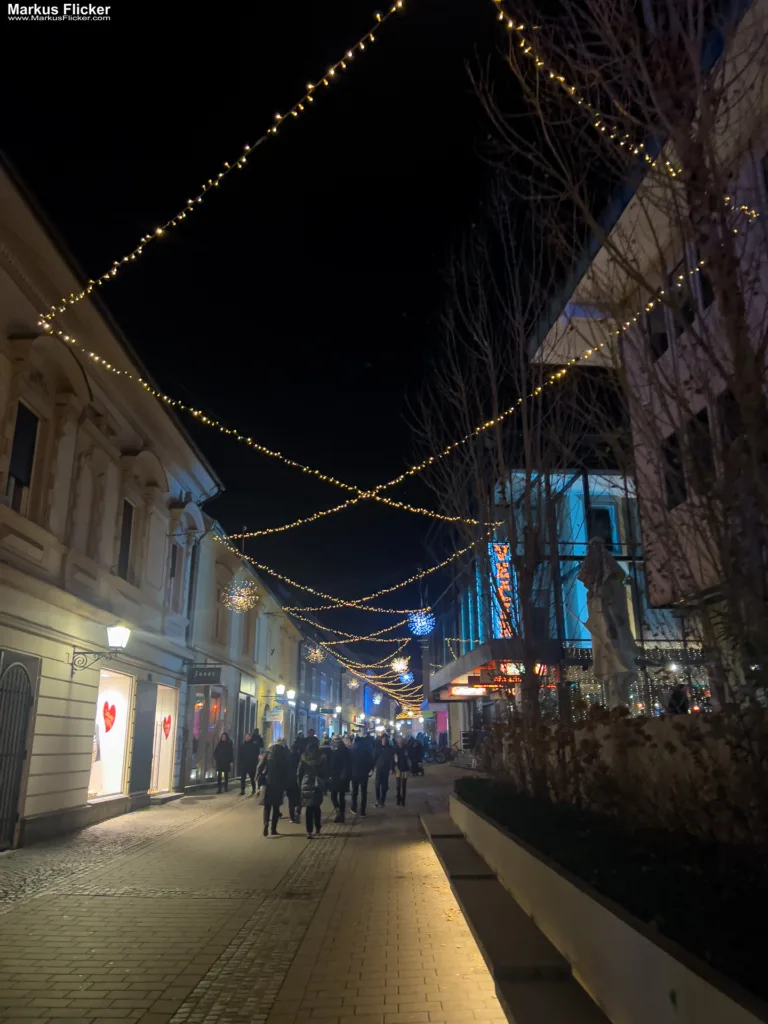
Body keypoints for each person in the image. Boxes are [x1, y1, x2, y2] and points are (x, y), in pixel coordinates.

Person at [256, 742, 291, 836]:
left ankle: (266, 823)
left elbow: (260, 766)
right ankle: (273, 829)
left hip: (268, 783)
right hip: (279, 784)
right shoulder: (284, 756)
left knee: (267, 806)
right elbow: (287, 771)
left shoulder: (268, 754)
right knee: (276, 807)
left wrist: (257, 776)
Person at [298, 738, 327, 838]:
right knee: (316, 807)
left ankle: (309, 831)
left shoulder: (304, 758)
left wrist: (300, 784)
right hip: (317, 784)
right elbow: (325, 772)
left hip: (306, 784)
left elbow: (299, 773)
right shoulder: (321, 758)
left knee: (308, 809)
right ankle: (318, 827)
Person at [328, 735, 351, 823]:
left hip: (336, 777)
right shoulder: (347, 751)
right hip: (344, 778)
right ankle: (342, 815)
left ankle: (338, 810)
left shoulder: (335, 752)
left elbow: (332, 765)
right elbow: (349, 764)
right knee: (342, 797)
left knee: (333, 795)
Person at [350, 734, 374, 816]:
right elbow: (370, 761)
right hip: (364, 774)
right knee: (363, 792)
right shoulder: (366, 750)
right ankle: (362, 811)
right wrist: (369, 770)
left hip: (354, 774)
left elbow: (349, 762)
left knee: (354, 791)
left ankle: (354, 807)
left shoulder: (352, 750)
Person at [373, 733, 395, 807]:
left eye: (386, 739)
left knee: (384, 785)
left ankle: (382, 800)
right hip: (379, 768)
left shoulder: (390, 748)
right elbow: (374, 757)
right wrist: (372, 767)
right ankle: (377, 799)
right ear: (381, 739)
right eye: (383, 739)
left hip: (386, 769)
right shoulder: (378, 747)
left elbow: (392, 759)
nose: (384, 740)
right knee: (377, 785)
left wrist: (391, 768)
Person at [287, 740, 302, 823]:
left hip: (289, 781)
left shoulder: (287, 757)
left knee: (290, 800)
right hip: (298, 781)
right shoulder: (300, 758)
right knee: (299, 799)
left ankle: (292, 817)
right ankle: (298, 811)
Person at [394, 737, 411, 806]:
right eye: (399, 742)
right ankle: (398, 798)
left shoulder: (406, 748)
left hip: (405, 768)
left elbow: (408, 757)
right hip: (398, 768)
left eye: (401, 742)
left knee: (404, 785)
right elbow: (394, 759)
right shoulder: (395, 749)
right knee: (398, 785)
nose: (400, 744)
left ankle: (403, 800)